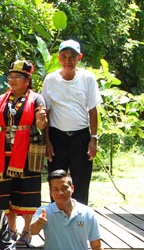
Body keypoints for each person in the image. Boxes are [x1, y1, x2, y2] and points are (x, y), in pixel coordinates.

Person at [0, 60, 48, 246]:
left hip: (29, 147)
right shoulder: (1, 99)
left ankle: (27, 230)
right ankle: (10, 228)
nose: (13, 80)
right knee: (6, 189)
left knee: (27, 188)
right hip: (5, 147)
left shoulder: (37, 99)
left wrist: (41, 120)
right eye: (11, 76)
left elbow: (41, 125)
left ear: (27, 80)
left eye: (18, 77)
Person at [41, 39, 102, 205]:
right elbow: (46, 111)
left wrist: (93, 139)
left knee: (81, 182)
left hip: (80, 137)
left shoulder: (87, 79)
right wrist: (47, 141)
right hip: (57, 137)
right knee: (56, 181)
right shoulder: (50, 80)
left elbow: (93, 110)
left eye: (72, 57)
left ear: (79, 57)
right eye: (64, 56)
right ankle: (56, 220)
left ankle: (80, 221)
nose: (68, 61)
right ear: (59, 58)